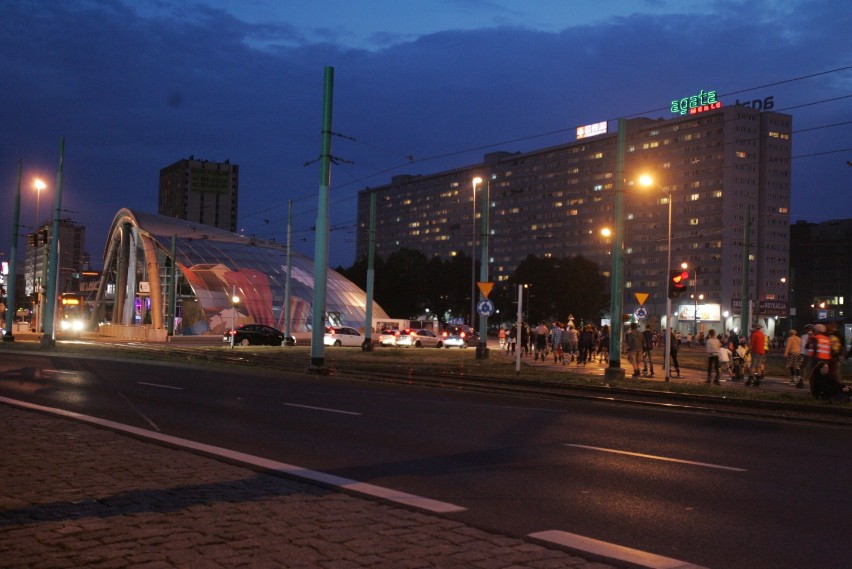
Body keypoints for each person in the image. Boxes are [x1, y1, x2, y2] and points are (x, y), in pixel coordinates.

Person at [805, 324, 833, 398]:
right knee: (822, 377)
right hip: (826, 360)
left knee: (813, 376)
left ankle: (813, 392)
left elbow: (809, 348)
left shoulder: (815, 338)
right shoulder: (827, 339)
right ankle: (822, 390)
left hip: (817, 359)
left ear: (816, 331)